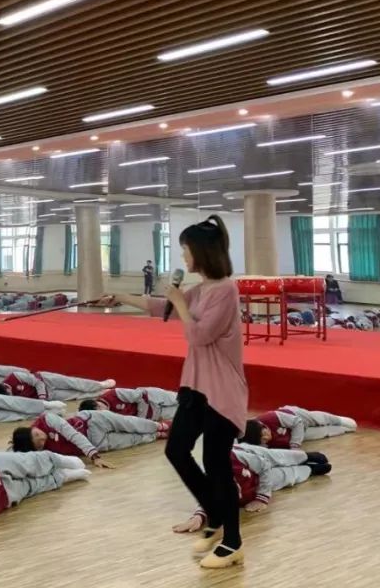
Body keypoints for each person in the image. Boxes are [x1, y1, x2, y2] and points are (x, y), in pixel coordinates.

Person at [100, 215, 247, 569]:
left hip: (222, 391)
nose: (183, 257)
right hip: (196, 387)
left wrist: (180, 302)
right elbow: (161, 307)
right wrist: (120, 297)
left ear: (201, 252)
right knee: (176, 450)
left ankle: (233, 542)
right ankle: (214, 514)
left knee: (216, 464)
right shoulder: (201, 290)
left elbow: (199, 334)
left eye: (185, 250)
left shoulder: (226, 290)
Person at [172, 445, 332, 533]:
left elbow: (264, 465)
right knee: (285, 477)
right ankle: (311, 470)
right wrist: (198, 517)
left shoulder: (232, 458)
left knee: (279, 457)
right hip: (253, 486)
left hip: (255, 458)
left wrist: (262, 497)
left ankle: (306, 456)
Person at [10, 408, 169, 466]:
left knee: (131, 424)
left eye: (37, 434)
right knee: (134, 440)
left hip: (93, 421)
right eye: (40, 443)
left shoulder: (47, 419)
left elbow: (73, 435)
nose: (42, 438)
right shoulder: (39, 452)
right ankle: (159, 435)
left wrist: (94, 457)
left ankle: (163, 426)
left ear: (31, 428)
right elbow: (14, 455)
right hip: (98, 442)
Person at [240, 406, 357, 449]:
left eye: (264, 433)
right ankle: (344, 430)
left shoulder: (270, 417)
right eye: (263, 439)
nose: (266, 437)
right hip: (294, 435)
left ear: (262, 426)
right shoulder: (255, 442)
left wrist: (294, 445)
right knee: (322, 434)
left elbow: (297, 422)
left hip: (297, 417)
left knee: (318, 419)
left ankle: (338, 420)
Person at [83, 388, 179, 421]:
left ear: (97, 404)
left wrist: (141, 420)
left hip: (155, 397)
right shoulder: (105, 417)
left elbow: (141, 395)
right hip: (154, 414)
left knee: (184, 399)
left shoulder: (114, 394)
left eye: (100, 411)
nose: (103, 414)